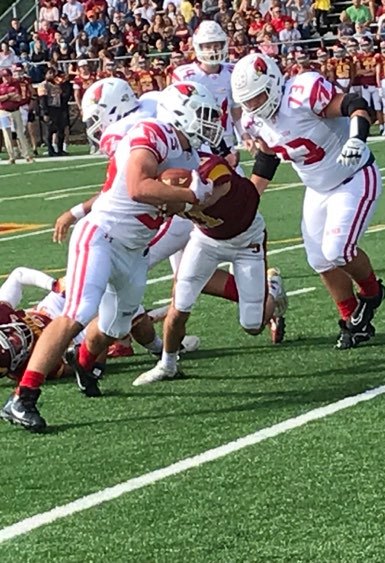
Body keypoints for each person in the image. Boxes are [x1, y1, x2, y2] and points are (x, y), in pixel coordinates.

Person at [1, 81, 220, 432]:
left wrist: (194, 201)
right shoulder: (152, 133)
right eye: (204, 114)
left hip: (133, 251)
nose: (210, 122)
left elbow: (171, 206)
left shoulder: (190, 156)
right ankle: (22, 398)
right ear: (181, 111)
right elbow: (137, 187)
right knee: (78, 311)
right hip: (101, 235)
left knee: (115, 327)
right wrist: (191, 195)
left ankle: (84, 363)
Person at [232, 53, 385, 349]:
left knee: (338, 250)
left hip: (353, 177)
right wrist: (248, 200)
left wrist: (357, 138)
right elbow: (268, 158)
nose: (253, 105)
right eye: (247, 101)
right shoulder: (254, 120)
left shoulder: (302, 93)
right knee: (319, 259)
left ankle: (372, 292)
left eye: (258, 96)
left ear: (273, 83)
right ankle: (351, 320)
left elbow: (355, 104)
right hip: (317, 189)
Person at [133, 154, 288, 385]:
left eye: (168, 203)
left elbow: (219, 172)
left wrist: (200, 195)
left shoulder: (215, 177)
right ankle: (167, 364)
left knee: (252, 326)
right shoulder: (176, 199)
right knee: (179, 306)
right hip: (205, 241)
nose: (164, 209)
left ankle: (273, 287)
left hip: (247, 243)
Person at [171, 20, 249, 164]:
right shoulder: (186, 75)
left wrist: (244, 135)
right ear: (198, 47)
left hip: (226, 140)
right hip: (198, 143)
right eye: (207, 46)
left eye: (216, 45)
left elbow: (236, 110)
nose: (213, 50)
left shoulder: (232, 71)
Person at [0, 69, 33, 163]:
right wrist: (8, 96)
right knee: (7, 134)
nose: (5, 78)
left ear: (10, 76)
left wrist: (5, 98)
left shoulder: (16, 84)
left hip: (15, 110)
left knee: (20, 133)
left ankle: (27, 155)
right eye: (4, 76)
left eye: (7, 76)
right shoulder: (1, 86)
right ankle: (11, 156)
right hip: (3, 112)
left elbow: (18, 97)